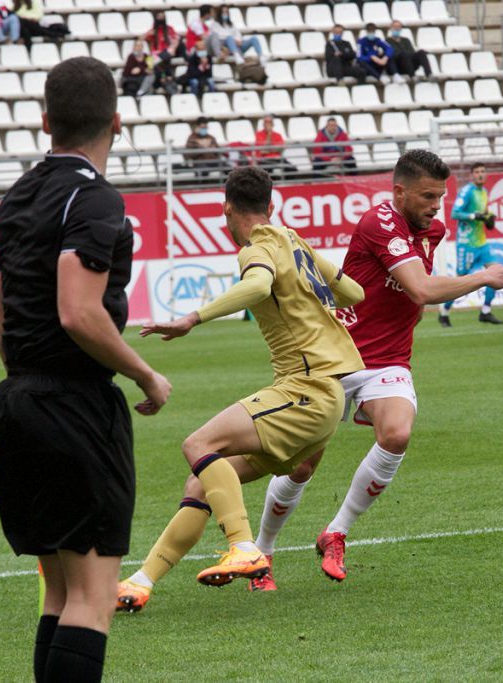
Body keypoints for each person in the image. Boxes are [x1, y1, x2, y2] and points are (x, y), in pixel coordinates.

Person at [248, 150, 503, 590]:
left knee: (397, 434)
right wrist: (483, 276)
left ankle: (337, 531)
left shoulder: (434, 229)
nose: (434, 206)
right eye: (427, 196)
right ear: (399, 191)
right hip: (337, 357)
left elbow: (411, 298)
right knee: (301, 467)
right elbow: (421, 289)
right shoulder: (379, 222)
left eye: (439, 197)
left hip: (388, 360)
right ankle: (262, 553)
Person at [0, 56, 171, 683]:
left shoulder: (17, 196)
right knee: (93, 600)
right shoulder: (94, 197)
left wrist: (31, 385)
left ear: (46, 122)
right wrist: (147, 376)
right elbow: (78, 312)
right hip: (74, 405)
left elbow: (0, 323)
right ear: (117, 122)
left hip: (16, 401)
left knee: (60, 596)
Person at [114, 165, 366, 611]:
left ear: (226, 208)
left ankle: (245, 547)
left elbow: (257, 285)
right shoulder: (294, 239)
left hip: (306, 389)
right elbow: (354, 294)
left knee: (199, 443)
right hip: (327, 399)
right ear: (271, 205)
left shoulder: (257, 248)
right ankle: (139, 582)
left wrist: (193, 318)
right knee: (203, 482)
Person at [439, 163, 503, 326]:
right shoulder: (467, 191)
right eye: (477, 172)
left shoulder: (484, 192)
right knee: (460, 281)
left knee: (497, 273)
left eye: (483, 171)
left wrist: (488, 218)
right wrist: (476, 216)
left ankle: (485, 311)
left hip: (482, 243)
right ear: (471, 175)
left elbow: (483, 215)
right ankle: (444, 313)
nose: (480, 174)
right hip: (467, 244)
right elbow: (455, 213)